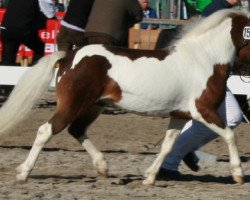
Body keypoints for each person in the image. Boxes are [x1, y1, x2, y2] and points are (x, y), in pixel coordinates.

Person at [158, 0, 242, 179]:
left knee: (224, 118)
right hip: (204, 77)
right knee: (231, 116)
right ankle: (171, 160)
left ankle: (177, 155)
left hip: (211, 76)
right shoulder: (218, 9)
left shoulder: (227, 9)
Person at [0, 0, 56, 97]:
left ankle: (5, 88)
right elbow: (49, 14)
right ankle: (33, 81)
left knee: (7, 58)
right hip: (23, 29)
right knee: (40, 49)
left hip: (6, 27)